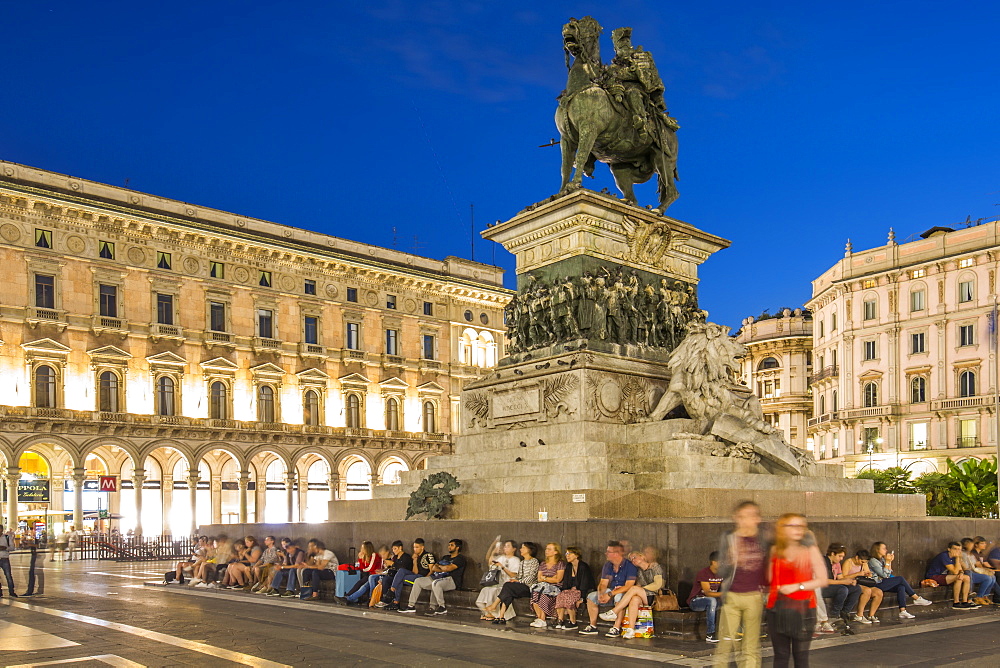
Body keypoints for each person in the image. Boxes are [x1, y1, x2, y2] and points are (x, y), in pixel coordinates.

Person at [764, 514, 826, 668]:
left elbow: (822, 579)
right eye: (792, 526)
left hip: (804, 608)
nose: (798, 529)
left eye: (801, 526)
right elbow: (768, 578)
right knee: (781, 655)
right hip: (777, 608)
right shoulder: (774, 550)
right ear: (782, 529)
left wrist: (798, 586)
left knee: (801, 657)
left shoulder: (810, 550)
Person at [713, 500, 766, 668]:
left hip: (754, 596)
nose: (746, 521)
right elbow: (721, 571)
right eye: (742, 517)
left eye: (751, 516)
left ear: (758, 518)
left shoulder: (763, 538)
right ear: (735, 518)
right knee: (725, 644)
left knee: (751, 645)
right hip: (732, 596)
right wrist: (730, 560)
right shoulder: (729, 538)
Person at [581, 540, 638, 636]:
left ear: (616, 554)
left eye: (609, 552)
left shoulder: (629, 566)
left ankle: (616, 627)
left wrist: (610, 594)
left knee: (619, 597)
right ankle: (593, 625)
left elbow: (629, 586)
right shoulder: (608, 565)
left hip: (623, 591)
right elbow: (603, 583)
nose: (606, 553)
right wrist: (600, 594)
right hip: (611, 590)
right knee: (591, 597)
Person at [604, 551, 665, 638]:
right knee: (634, 599)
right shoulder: (639, 571)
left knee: (634, 589)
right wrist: (624, 588)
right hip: (643, 595)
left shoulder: (654, 566)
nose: (633, 560)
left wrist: (640, 589)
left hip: (654, 595)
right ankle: (631, 629)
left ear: (642, 557)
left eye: (635, 557)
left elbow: (658, 584)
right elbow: (638, 585)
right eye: (631, 559)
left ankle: (614, 611)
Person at [867, 542, 932, 618]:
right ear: (877, 550)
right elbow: (884, 575)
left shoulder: (882, 559)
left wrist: (889, 561)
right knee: (900, 579)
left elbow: (888, 574)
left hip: (883, 581)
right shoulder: (873, 561)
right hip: (876, 583)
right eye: (884, 548)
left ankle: (903, 611)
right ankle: (916, 598)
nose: (886, 550)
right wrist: (888, 562)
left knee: (901, 587)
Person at [405, 539, 466, 615]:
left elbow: (449, 568)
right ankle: (411, 606)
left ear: (457, 548)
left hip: (451, 580)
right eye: (449, 545)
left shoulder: (460, 559)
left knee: (436, 583)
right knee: (418, 581)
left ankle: (441, 607)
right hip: (438, 577)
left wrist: (441, 567)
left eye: (452, 545)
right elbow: (434, 567)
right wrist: (442, 568)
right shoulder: (445, 557)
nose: (449, 547)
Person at [488, 542, 539, 623]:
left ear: (529, 549)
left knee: (508, 586)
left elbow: (531, 577)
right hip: (520, 585)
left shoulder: (534, 561)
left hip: (529, 587)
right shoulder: (522, 562)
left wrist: (518, 581)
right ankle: (501, 617)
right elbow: (519, 576)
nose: (521, 550)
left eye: (523, 548)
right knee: (508, 589)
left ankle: (495, 605)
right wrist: (515, 580)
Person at [477, 539, 520, 620]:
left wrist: (502, 567)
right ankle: (488, 613)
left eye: (508, 546)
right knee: (485, 590)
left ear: (514, 549)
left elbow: (513, 574)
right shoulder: (501, 558)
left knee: (494, 591)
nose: (505, 548)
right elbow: (489, 560)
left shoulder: (516, 560)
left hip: (509, 583)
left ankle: (494, 614)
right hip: (497, 582)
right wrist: (494, 549)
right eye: (504, 546)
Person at [554, 546, 595, 631]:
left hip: (580, 590)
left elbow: (585, 584)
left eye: (569, 553)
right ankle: (560, 620)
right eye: (566, 554)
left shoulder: (583, 567)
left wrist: (582, 598)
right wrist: (564, 591)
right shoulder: (569, 566)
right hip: (570, 590)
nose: (567, 555)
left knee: (569, 598)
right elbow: (566, 582)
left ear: (576, 555)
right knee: (560, 596)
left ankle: (573, 622)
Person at [821, 543, 862, 627]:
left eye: (842, 557)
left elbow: (840, 577)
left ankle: (845, 612)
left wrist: (850, 581)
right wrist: (842, 582)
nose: (841, 559)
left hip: (834, 585)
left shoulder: (837, 563)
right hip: (821, 587)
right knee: (842, 589)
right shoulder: (822, 562)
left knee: (856, 589)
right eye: (840, 556)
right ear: (832, 554)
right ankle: (834, 615)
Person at [389, 538, 436, 611]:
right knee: (401, 571)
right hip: (416, 575)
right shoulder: (416, 556)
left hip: (423, 577)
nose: (415, 549)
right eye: (414, 547)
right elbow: (415, 572)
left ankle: (395, 599)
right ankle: (394, 593)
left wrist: (425, 579)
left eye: (417, 547)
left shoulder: (428, 555)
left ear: (422, 547)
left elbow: (432, 570)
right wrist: (414, 561)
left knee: (400, 579)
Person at [687, 551, 724, 642]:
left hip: (713, 600)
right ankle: (710, 634)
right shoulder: (704, 573)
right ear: (714, 562)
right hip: (697, 601)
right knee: (711, 601)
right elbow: (707, 592)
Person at [925, 541, 974, 609]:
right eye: (955, 549)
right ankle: (956, 602)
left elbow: (960, 570)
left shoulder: (954, 557)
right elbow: (955, 572)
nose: (957, 551)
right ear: (949, 549)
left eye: (959, 549)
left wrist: (961, 573)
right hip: (934, 576)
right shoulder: (944, 556)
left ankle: (965, 601)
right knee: (958, 578)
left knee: (967, 578)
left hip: (946, 576)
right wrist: (957, 559)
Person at [529, 542, 566, 628]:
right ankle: (540, 618)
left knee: (543, 595)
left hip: (555, 588)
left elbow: (558, 579)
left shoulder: (560, 564)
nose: (546, 551)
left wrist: (544, 578)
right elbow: (539, 578)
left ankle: (543, 619)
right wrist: (549, 578)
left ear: (555, 552)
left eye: (549, 549)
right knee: (535, 593)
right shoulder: (543, 564)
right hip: (542, 586)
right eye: (546, 549)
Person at [842, 550, 884, 622]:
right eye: (862, 562)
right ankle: (859, 615)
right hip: (850, 583)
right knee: (867, 590)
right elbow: (843, 577)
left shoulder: (864, 563)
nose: (863, 563)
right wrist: (858, 574)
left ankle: (871, 615)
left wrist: (868, 574)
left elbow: (867, 572)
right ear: (857, 557)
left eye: (865, 562)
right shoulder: (848, 562)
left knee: (878, 592)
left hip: (861, 582)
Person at [372, 540, 413, 607]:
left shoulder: (406, 557)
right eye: (393, 549)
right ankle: (385, 597)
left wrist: (392, 563)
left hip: (405, 576)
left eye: (395, 549)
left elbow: (403, 568)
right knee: (386, 579)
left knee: (398, 580)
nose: (394, 551)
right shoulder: (395, 557)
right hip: (395, 576)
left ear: (400, 548)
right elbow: (393, 570)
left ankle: (391, 597)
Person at [958, 537, 995, 605]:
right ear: (966, 545)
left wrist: (986, 570)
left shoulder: (971, 554)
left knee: (992, 576)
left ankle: (985, 596)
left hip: (974, 571)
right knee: (987, 578)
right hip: (967, 572)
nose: (972, 546)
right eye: (970, 544)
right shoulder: (961, 553)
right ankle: (977, 596)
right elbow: (963, 566)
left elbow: (977, 564)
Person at [0, 525, 17, 597]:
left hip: (4, 558)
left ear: (2, 530)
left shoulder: (6, 537)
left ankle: (11, 591)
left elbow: (12, 548)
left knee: (8, 575)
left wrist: (5, 548)